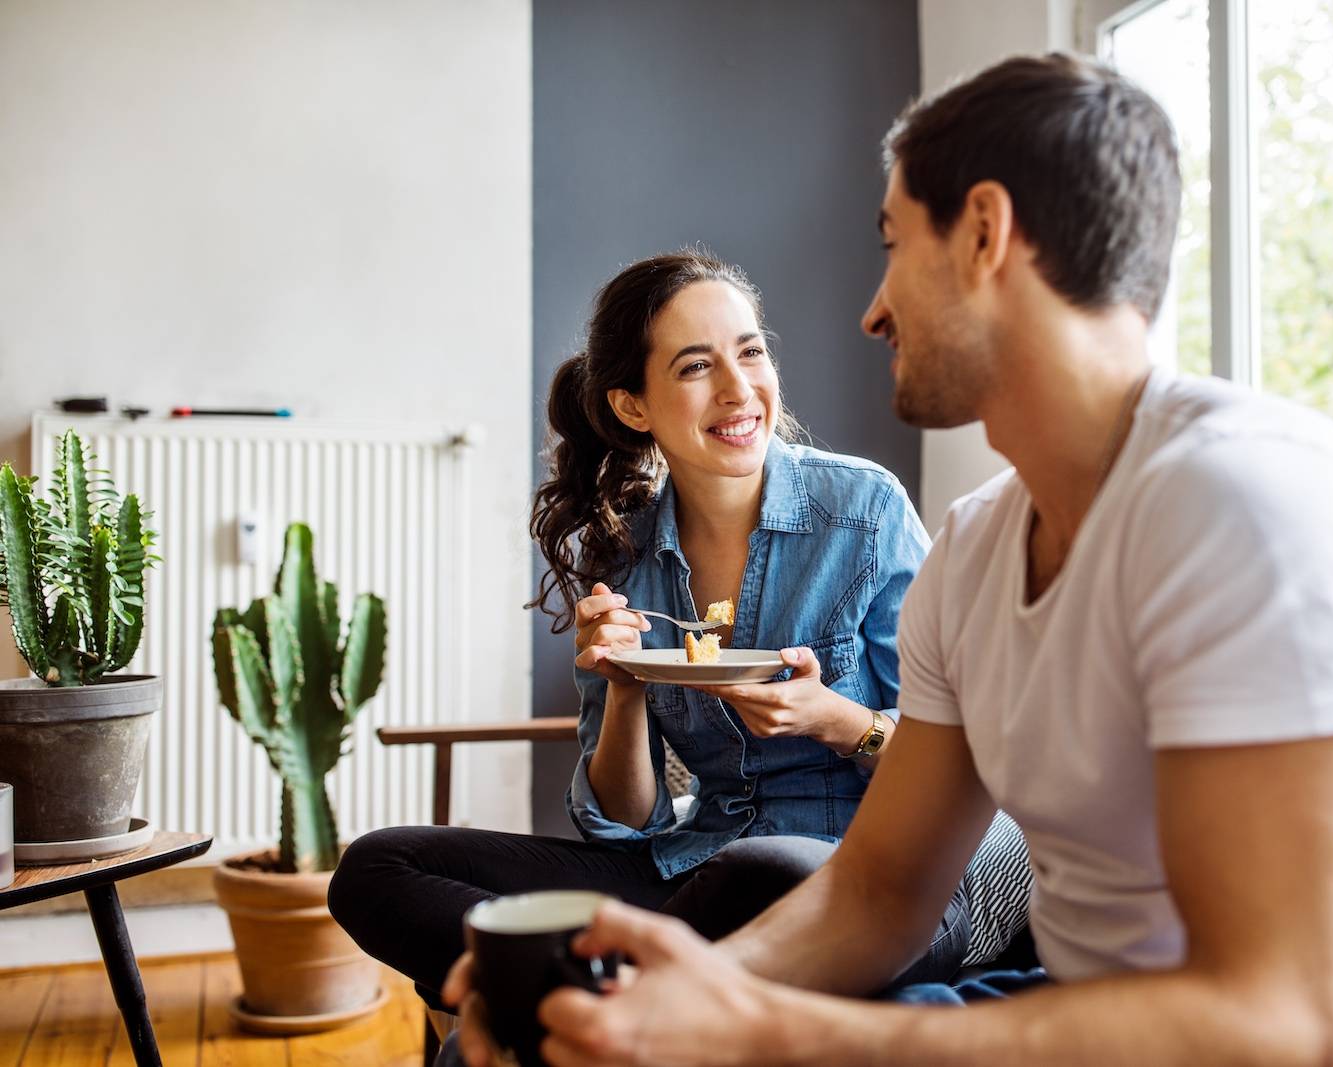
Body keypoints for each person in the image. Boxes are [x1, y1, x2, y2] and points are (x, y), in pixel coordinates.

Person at [440, 51, 1333, 1067]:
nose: (871, 309)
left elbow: (1284, 1025)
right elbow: (879, 891)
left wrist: (767, 1031)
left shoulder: (1248, 509)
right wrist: (664, 1005)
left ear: (984, 235)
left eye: (892, 243)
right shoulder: (978, 548)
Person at [330, 250, 1011, 1016]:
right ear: (633, 406)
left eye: (750, 351)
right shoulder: (622, 557)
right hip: (697, 871)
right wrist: (623, 688)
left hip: (865, 879)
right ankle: (607, 996)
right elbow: (626, 825)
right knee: (379, 866)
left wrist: (836, 721)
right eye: (695, 367)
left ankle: (563, 997)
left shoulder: (863, 512)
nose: (738, 388)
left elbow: (960, 767)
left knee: (759, 870)